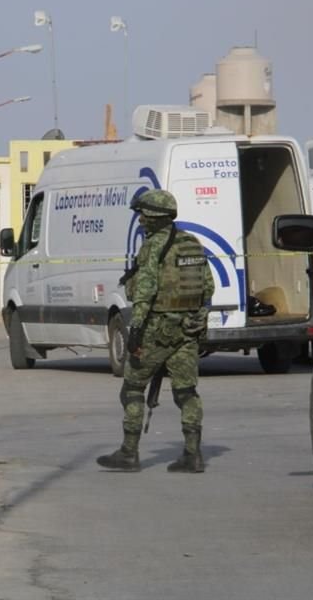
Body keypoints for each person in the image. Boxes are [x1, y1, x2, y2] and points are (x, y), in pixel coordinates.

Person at [96, 189, 214, 473]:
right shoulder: (191, 243)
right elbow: (208, 287)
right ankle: (193, 454)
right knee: (186, 391)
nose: (140, 220)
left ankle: (128, 453)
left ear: (154, 217)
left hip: (157, 330)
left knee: (133, 389)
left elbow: (145, 291)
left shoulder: (153, 246)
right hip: (188, 329)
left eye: (143, 215)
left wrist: (136, 330)